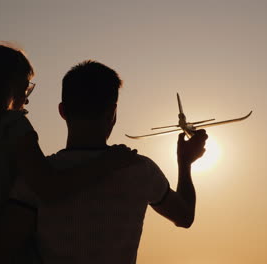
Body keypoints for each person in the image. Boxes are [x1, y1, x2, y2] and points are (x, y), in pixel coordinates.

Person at [0, 45, 138, 264]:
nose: (27, 97)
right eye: (26, 87)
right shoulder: (13, 126)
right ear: (9, 84)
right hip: (1, 250)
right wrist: (107, 163)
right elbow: (48, 187)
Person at [33, 60, 208, 264]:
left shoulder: (36, 174)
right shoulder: (140, 170)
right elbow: (184, 217)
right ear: (112, 113)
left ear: (62, 111)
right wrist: (185, 163)